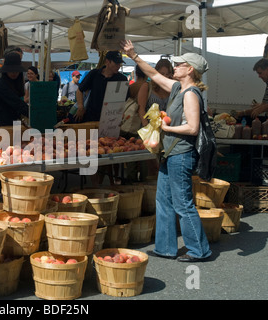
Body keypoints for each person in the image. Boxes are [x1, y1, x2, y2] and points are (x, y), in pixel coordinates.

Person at [122, 40, 212, 262]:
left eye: (180, 64)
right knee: (163, 199)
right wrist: (134, 56)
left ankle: (199, 250)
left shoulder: (190, 93)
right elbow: (153, 74)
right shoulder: (176, 88)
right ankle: (165, 247)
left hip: (181, 154)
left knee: (182, 202)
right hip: (170, 152)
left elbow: (192, 127)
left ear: (190, 69)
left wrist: (167, 127)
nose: (175, 67)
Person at [74, 51, 128, 122]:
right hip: (91, 118)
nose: (118, 66)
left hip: (111, 120)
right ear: (107, 62)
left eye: (119, 63)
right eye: (116, 63)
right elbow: (79, 90)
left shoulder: (122, 79)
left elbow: (125, 98)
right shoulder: (94, 74)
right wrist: (80, 107)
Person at [0, 52, 29, 128]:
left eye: (16, 70)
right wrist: (34, 114)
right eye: (11, 70)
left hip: (10, 124)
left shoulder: (16, 83)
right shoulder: (1, 84)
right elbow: (17, 103)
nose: (14, 73)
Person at [138, 59, 174, 127]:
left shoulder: (172, 88)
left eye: (167, 74)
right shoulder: (147, 86)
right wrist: (146, 126)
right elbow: (141, 109)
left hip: (167, 129)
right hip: (149, 127)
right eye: (162, 74)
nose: (165, 77)